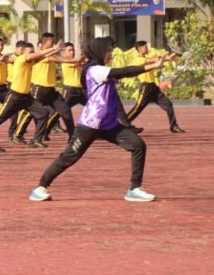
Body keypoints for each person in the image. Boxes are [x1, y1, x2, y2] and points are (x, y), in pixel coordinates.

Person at [30, 37, 166, 202]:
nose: (110, 54)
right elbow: (125, 71)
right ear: (99, 51)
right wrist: (153, 65)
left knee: (138, 145)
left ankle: (134, 189)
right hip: (90, 124)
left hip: (109, 125)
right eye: (108, 51)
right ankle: (40, 187)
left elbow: (118, 76)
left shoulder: (101, 70)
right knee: (69, 156)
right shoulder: (95, 70)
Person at [0, 40, 63, 148]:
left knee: (43, 113)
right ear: (23, 52)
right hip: (14, 96)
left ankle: (36, 140)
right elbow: (39, 54)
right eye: (29, 52)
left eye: (32, 51)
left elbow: (42, 56)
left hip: (26, 97)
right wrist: (54, 48)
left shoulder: (31, 61)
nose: (32, 54)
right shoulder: (21, 59)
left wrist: (56, 50)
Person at [12, 33, 80, 141]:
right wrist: (75, 59)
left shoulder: (50, 54)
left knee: (65, 109)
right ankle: (17, 134)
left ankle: (72, 136)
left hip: (51, 90)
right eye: (51, 42)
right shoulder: (40, 55)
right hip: (39, 89)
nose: (53, 43)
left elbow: (55, 58)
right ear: (44, 43)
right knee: (29, 113)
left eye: (54, 42)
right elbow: (60, 59)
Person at [124, 41, 184, 133]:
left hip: (153, 87)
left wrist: (171, 57)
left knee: (168, 104)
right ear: (139, 49)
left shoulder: (146, 57)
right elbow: (153, 60)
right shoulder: (138, 59)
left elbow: (156, 60)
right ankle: (122, 125)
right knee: (137, 108)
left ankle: (174, 126)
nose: (147, 48)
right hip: (145, 87)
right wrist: (165, 58)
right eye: (145, 47)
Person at [44, 43, 86, 137]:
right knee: (58, 113)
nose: (72, 52)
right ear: (64, 52)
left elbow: (82, 63)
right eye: (69, 50)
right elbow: (80, 62)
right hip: (70, 91)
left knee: (94, 107)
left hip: (81, 91)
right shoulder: (66, 62)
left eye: (73, 50)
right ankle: (45, 131)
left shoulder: (76, 60)